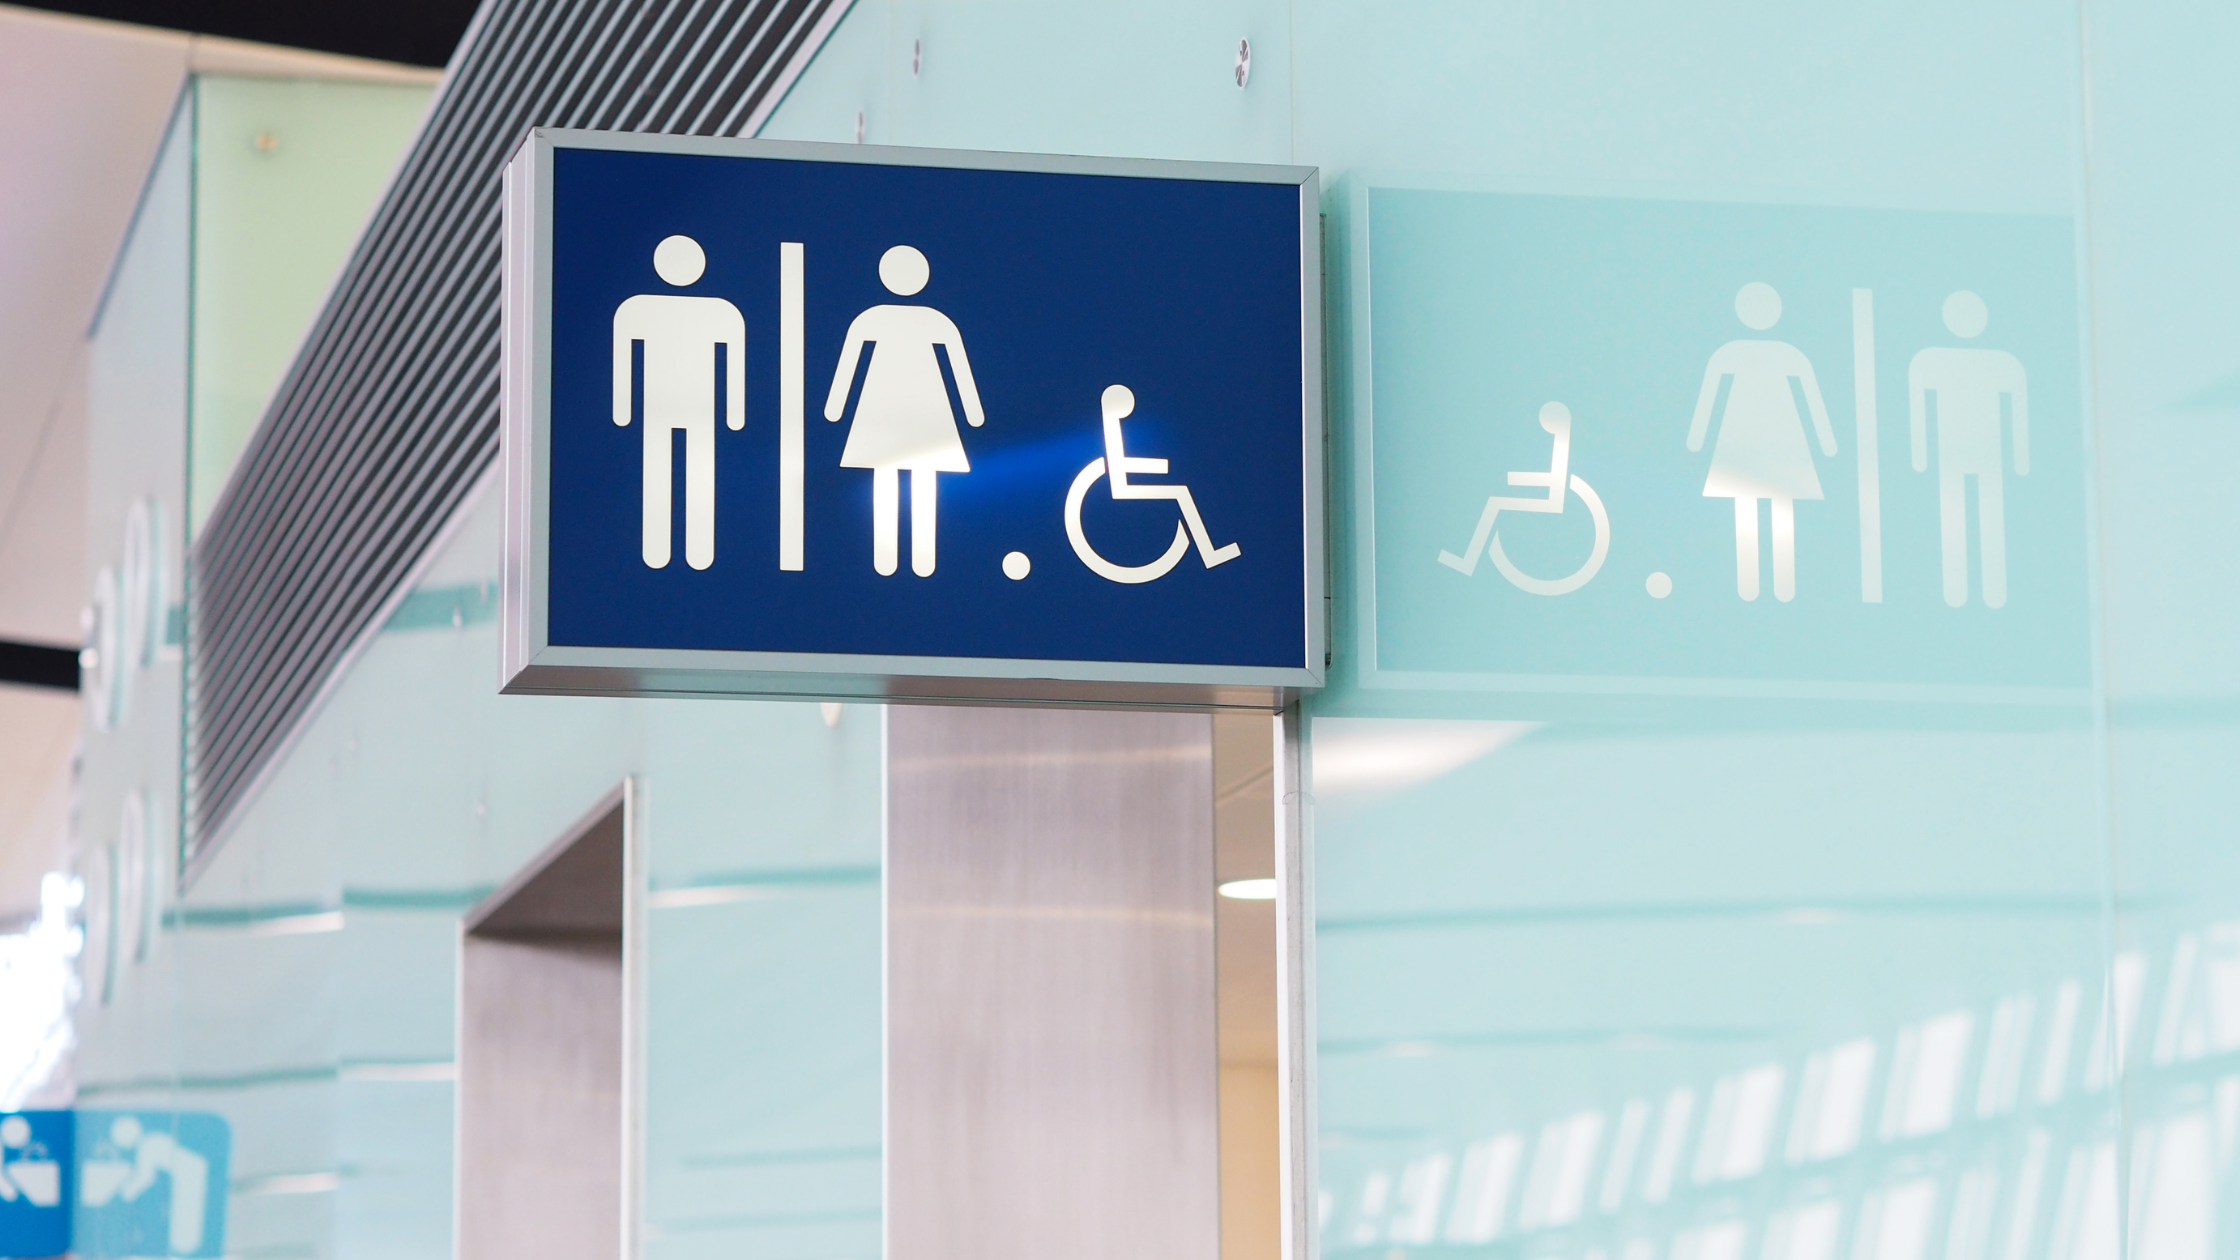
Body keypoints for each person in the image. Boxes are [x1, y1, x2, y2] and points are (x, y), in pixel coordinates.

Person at [824, 245, 985, 577]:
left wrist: (836, 408)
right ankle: (901, 558)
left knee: (901, 476)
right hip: (900, 409)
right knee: (906, 476)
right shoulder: (923, 320)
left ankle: (909, 558)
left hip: (908, 409)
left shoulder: (880, 318)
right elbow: (852, 363)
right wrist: (972, 412)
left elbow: (956, 366)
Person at [1686, 282, 1837, 602]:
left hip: (1777, 440)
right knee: (1753, 505)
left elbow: (1810, 397)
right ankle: (1756, 589)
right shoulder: (1743, 353)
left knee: (1769, 506)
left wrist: (1826, 442)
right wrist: (1697, 438)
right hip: (1746, 439)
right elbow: (1711, 396)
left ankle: (1776, 588)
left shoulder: (1775, 354)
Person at [612, 234, 745, 571]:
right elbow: (625, 359)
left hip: (699, 408)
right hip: (662, 409)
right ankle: (659, 549)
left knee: (697, 475)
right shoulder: (639, 308)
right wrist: (623, 409)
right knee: (662, 473)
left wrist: (734, 412)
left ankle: (698, 550)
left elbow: (734, 362)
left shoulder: (720, 311)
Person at [1908, 290, 2028, 608]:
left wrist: (2020, 459)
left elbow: (2015, 412)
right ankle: (1956, 589)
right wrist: (1920, 455)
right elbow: (1921, 410)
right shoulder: (1931, 361)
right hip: (1951, 454)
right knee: (1954, 519)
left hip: (1988, 455)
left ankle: (1993, 591)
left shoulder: (2002, 364)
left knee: (1989, 520)